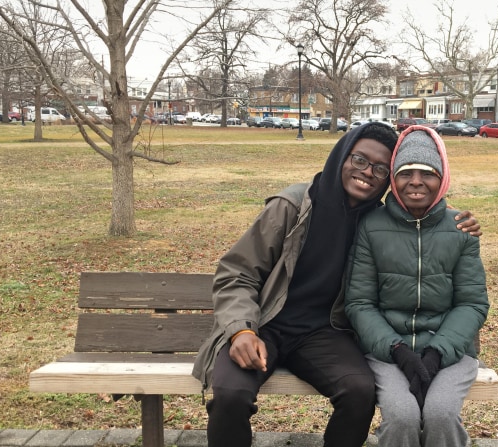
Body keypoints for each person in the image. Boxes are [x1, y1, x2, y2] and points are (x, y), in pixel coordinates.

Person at [192, 121, 481, 447]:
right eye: (359, 160)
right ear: (341, 156)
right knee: (231, 394)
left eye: (380, 169)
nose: (368, 172)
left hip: (323, 334)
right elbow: (237, 273)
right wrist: (241, 330)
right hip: (263, 325)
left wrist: (452, 219)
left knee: (359, 392)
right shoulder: (292, 206)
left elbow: (419, 215)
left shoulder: (376, 219)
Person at [344, 125, 490, 447]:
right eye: (405, 172)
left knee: (440, 413)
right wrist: (397, 350)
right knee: (402, 416)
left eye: (428, 172)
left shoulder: (461, 229)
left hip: (450, 352)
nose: (416, 182)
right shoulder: (371, 226)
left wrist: (438, 352)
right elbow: (359, 303)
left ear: (443, 177)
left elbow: (472, 303)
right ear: (393, 179)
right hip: (387, 353)